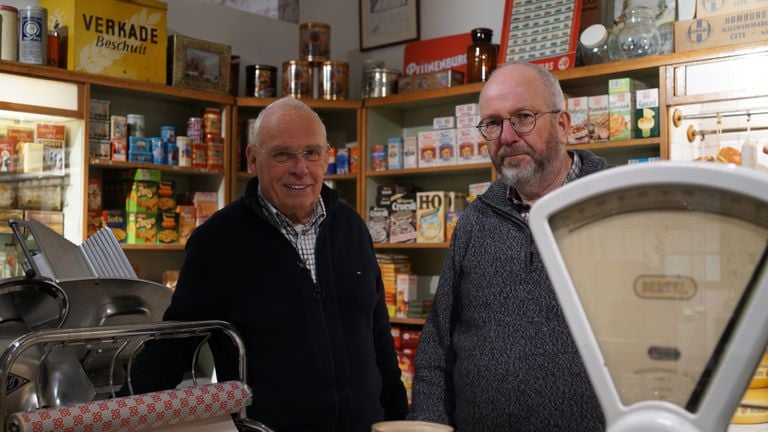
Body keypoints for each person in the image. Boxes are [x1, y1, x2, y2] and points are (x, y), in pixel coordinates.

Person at [129, 97, 408, 431]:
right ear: (252, 159)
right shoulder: (218, 240)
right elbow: (175, 347)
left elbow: (378, 338)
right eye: (282, 154)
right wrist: (115, 415)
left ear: (326, 156)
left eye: (311, 152)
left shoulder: (350, 227)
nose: (300, 168)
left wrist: (399, 420)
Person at [407, 62, 611, 431]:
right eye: (493, 123)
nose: (508, 135)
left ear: (563, 124)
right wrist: (427, 419)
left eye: (523, 117)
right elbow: (438, 344)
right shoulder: (475, 221)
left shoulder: (619, 207)